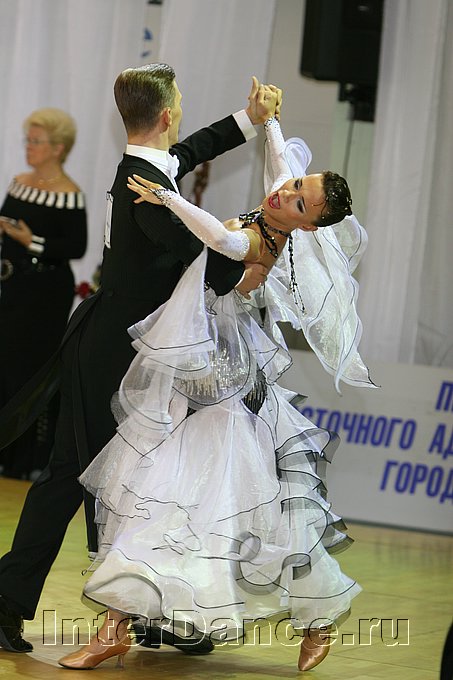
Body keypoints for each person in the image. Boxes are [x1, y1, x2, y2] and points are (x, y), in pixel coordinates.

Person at [57, 112, 375, 671]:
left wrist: (168, 198)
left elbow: (220, 239)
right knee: (160, 501)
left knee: (224, 506)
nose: (287, 194)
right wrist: (268, 121)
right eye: (297, 185)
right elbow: (281, 166)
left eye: (301, 201)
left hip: (225, 387)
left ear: (307, 226)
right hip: (193, 372)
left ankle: (316, 618)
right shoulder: (279, 204)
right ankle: (116, 626)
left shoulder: (262, 238)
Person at [0, 64, 275, 655]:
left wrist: (248, 121)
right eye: (181, 102)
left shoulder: (149, 168)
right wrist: (249, 261)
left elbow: (193, 150)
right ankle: (29, 602)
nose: (183, 112)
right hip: (112, 352)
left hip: (125, 345)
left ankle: (145, 609)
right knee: (87, 477)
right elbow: (195, 253)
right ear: (167, 113)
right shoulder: (144, 186)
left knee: (140, 479)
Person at [0, 108, 87, 480]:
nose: (29, 147)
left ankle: (26, 460)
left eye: (36, 141)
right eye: (28, 140)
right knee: (4, 365)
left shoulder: (70, 195)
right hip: (11, 286)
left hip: (44, 294)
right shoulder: (20, 183)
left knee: (30, 368)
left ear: (58, 148)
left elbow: (75, 248)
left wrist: (31, 241)